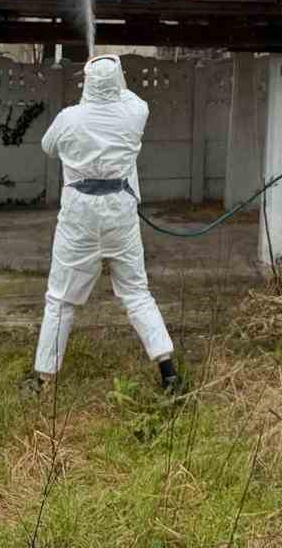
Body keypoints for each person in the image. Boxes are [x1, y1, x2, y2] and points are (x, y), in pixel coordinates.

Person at [25, 54, 180, 394]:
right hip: (119, 211)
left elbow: (48, 147)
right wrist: (112, 75)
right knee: (136, 292)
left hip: (79, 215)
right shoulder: (134, 112)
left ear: (87, 83)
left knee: (61, 298)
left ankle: (43, 379)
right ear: (119, 80)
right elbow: (129, 97)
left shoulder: (69, 118)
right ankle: (168, 373)